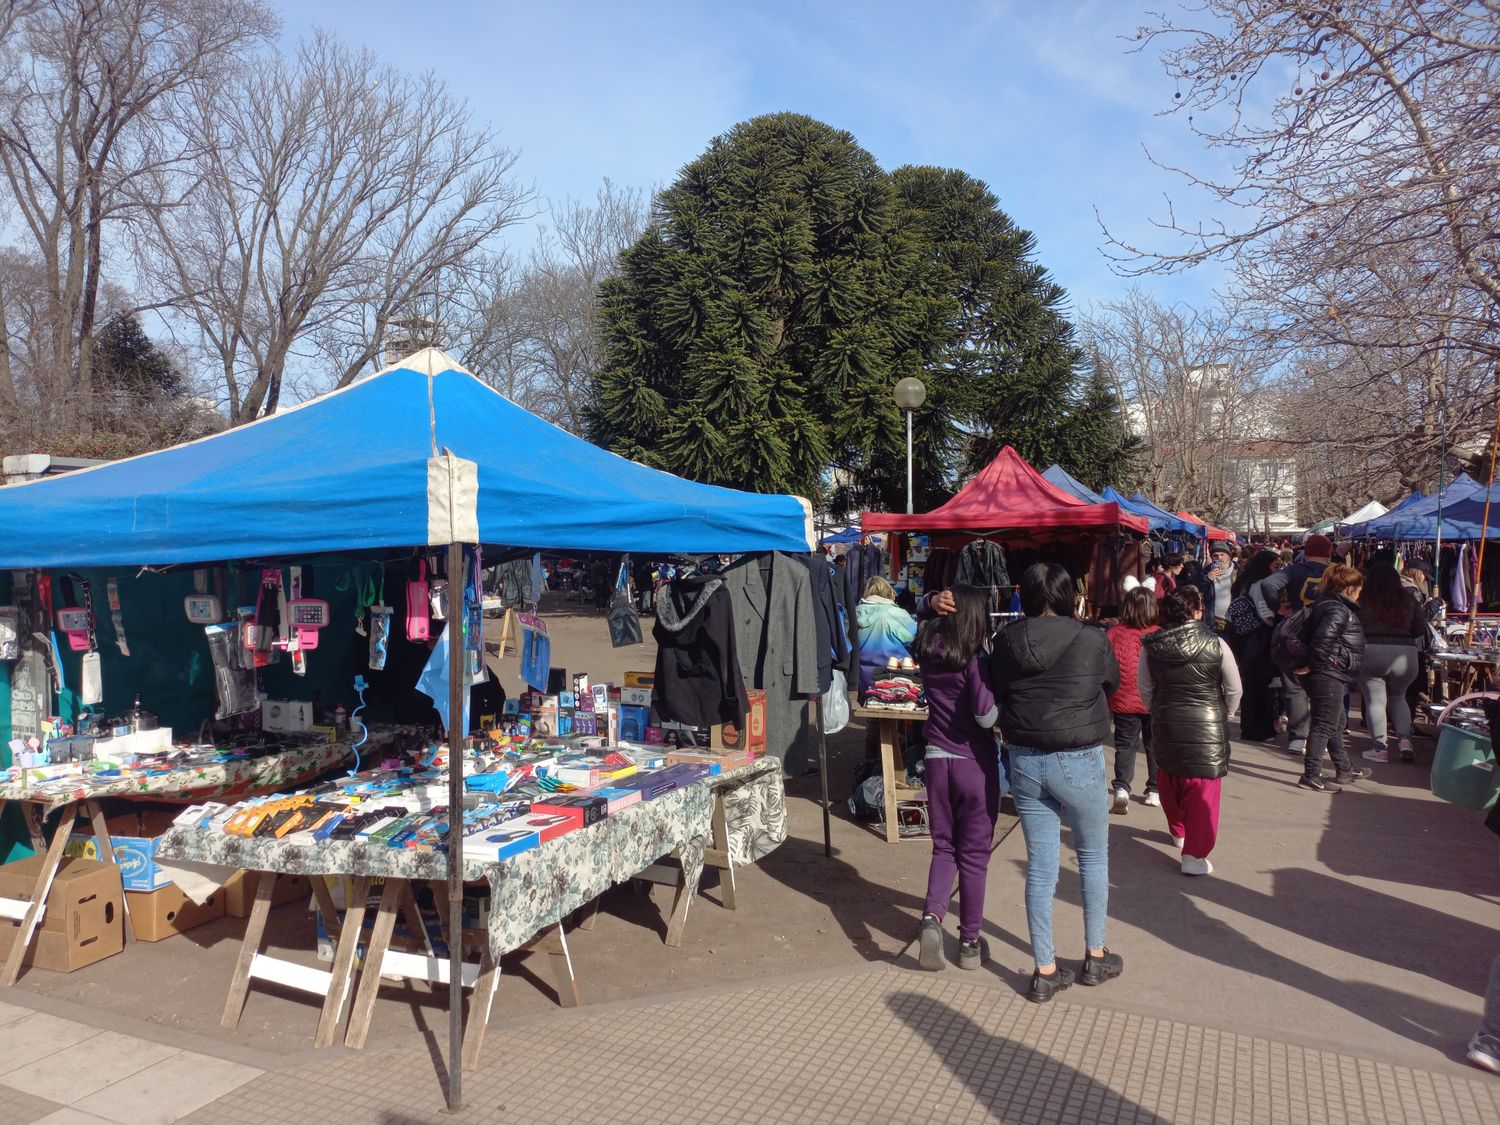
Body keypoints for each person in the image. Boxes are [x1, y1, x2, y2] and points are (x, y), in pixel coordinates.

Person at [991, 562, 1123, 1003]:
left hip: (1025, 759)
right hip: (1079, 758)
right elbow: (1113, 682)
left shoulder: (1007, 640)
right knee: (1092, 859)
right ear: (1069, 596)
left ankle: (1045, 969)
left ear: (1025, 596)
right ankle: (1095, 953)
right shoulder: (1092, 638)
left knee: (1041, 868)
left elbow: (996, 691)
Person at [912, 584, 1001, 972]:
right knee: (975, 857)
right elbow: (985, 716)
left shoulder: (930, 650)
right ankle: (969, 942)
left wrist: (928, 602)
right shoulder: (974, 659)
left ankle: (931, 919)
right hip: (973, 763)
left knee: (943, 847)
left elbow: (919, 617)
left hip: (936, 758)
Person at [1139, 586, 1243, 875]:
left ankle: (1178, 830)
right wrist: (1226, 713)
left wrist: (1159, 709)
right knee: (1203, 791)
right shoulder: (1217, 643)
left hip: (1167, 719)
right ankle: (1194, 857)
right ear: (1198, 611)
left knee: (1169, 778)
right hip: (1208, 724)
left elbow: (1145, 689)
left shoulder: (1152, 645)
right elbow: (1234, 688)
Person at [1255, 534, 1334, 757]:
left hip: (1295, 631)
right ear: (1329, 553)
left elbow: (1269, 584)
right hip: (1328, 631)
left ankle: (1299, 737)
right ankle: (1324, 737)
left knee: (1294, 687)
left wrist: (1278, 607)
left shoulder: (1294, 570)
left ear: (1306, 552)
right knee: (1325, 688)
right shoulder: (1335, 571)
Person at [1297, 563, 1371, 792]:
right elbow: (1322, 641)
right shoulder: (1337, 609)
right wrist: (1323, 664)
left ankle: (1344, 767)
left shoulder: (1330, 605)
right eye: (1359, 588)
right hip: (1328, 673)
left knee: (1335, 722)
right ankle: (1312, 774)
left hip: (1328, 671)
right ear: (1350, 588)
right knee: (1324, 724)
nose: (1361, 592)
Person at [1357, 561, 1426, 764]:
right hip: (1405, 653)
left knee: (1376, 701)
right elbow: (1420, 629)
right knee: (1399, 696)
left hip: (1371, 650)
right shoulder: (1409, 599)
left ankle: (1380, 749)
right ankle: (1405, 741)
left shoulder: (1362, 600)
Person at [1107, 587, 1161, 814]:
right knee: (1153, 745)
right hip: (1153, 700)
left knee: (1125, 745)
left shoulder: (1114, 633)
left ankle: (1121, 787)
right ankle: (1155, 790)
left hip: (1122, 698)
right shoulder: (1159, 634)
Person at [1230, 549, 1284, 741]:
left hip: (1246, 638)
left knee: (1253, 684)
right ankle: (1259, 729)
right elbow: (1266, 614)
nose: (1279, 569)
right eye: (1276, 566)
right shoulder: (1261, 585)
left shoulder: (1245, 582)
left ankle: (1251, 727)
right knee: (1260, 684)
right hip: (1260, 638)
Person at [855, 576, 917, 694]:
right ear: (889, 592)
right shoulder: (896, 614)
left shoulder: (856, 613)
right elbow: (915, 640)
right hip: (894, 677)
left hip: (863, 677)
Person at [1206, 543, 1237, 632]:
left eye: (1222, 555)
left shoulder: (1239, 571)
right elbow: (1196, 591)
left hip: (1234, 620)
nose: (1219, 558)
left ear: (1229, 556)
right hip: (1214, 620)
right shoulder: (1205, 572)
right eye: (1215, 555)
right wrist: (1207, 579)